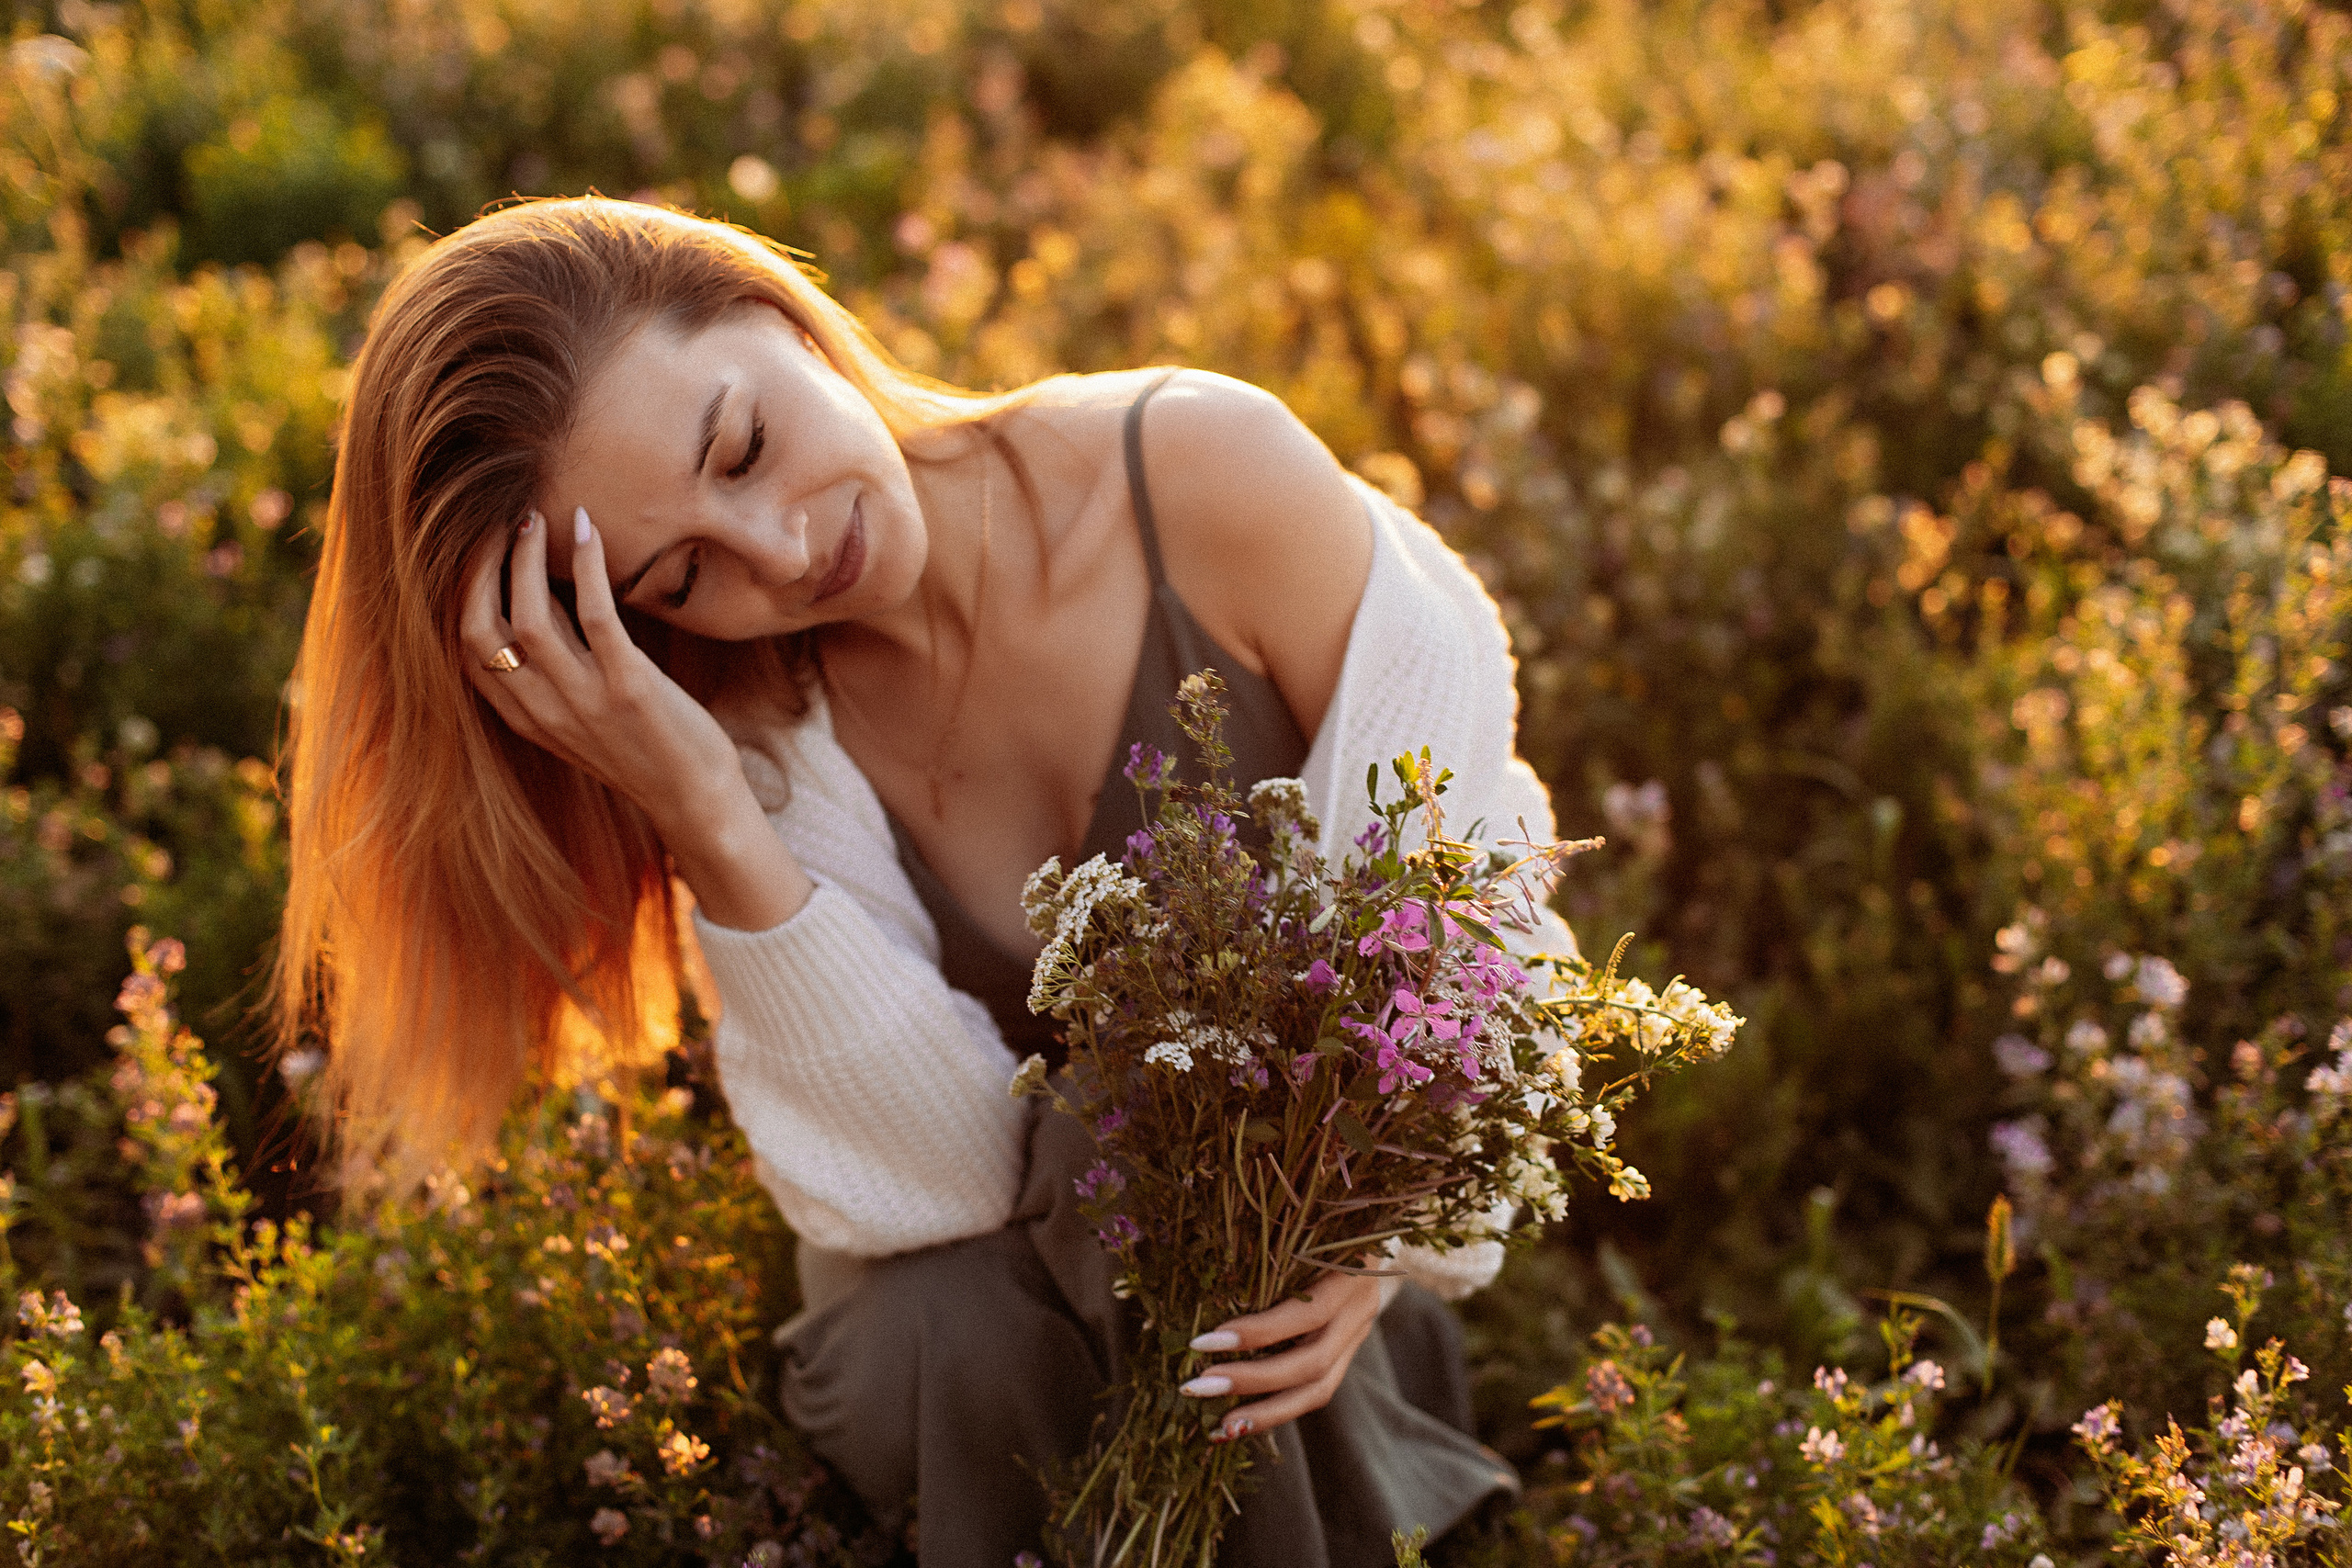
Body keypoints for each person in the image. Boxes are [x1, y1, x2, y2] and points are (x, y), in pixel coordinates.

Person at [276, 197, 1571, 1565]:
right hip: (977, 1333)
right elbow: (942, 1190)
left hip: (1264, 1278)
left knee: (1156, 1185)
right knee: (991, 1284)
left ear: (773, 311)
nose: (777, 554)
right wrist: (708, 811)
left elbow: (1478, 884)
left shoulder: (1206, 474)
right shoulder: (762, 737)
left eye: (745, 448)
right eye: (683, 573)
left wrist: (1375, 1226)